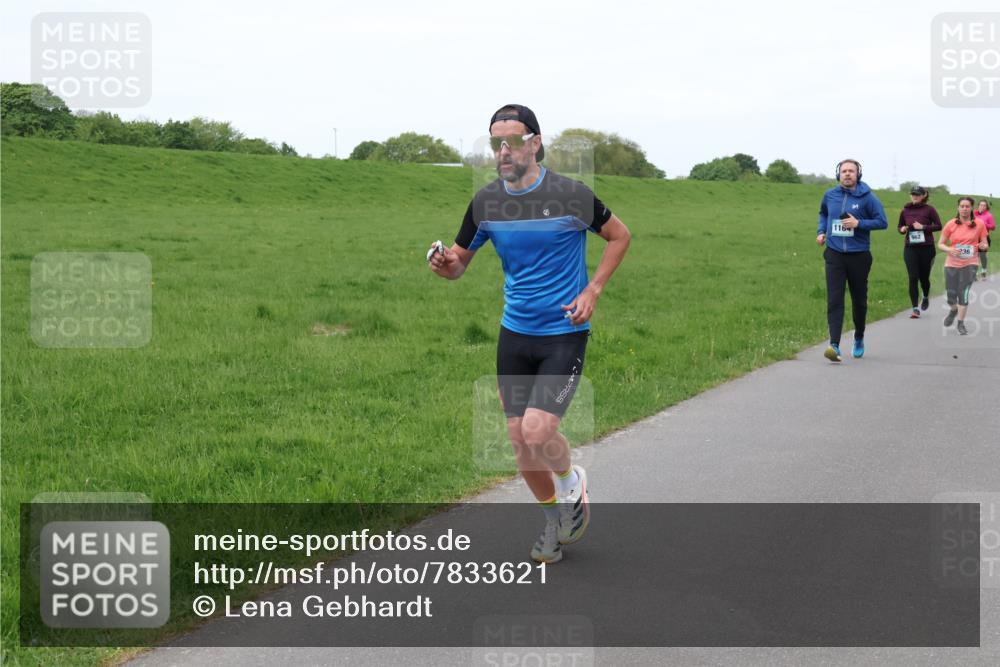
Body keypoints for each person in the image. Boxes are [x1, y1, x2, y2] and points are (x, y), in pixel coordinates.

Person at [427, 104, 631, 563]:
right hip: (514, 333)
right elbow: (459, 264)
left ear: (535, 143)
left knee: (539, 432)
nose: (503, 150)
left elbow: (620, 236)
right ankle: (553, 522)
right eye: (495, 141)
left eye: (513, 140)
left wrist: (593, 289)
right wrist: (444, 264)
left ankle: (570, 485)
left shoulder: (571, 195)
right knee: (519, 440)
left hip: (564, 329)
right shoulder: (485, 204)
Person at [815, 159, 888, 361]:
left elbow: (882, 222)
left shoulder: (868, 198)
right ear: (839, 174)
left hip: (859, 256)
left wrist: (859, 223)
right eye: (844, 171)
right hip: (834, 254)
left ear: (858, 174)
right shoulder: (830, 195)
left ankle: (859, 336)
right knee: (835, 299)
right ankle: (834, 345)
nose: (847, 174)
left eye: (851, 171)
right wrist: (822, 231)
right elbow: (823, 214)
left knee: (859, 301)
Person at [938, 197, 989, 335]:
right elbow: (940, 243)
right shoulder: (951, 224)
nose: (964, 208)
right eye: (962, 206)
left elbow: (985, 242)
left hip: (970, 263)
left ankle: (961, 324)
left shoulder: (979, 224)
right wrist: (950, 250)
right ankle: (953, 309)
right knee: (951, 295)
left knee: (963, 293)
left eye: (967, 206)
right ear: (958, 208)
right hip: (951, 263)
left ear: (972, 208)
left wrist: (984, 245)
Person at [897, 185, 942, 318]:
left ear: (923, 196)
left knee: (924, 278)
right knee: (913, 277)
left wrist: (923, 227)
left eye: (917, 194)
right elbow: (899, 226)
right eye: (913, 194)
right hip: (910, 248)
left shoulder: (930, 209)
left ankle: (926, 295)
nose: (915, 196)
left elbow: (939, 226)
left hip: (927, 248)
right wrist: (902, 230)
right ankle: (915, 308)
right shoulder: (905, 210)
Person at [975, 199, 995, 280]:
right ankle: (975, 273)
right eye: (981, 205)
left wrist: (984, 223)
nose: (982, 207)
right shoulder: (974, 214)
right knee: (974, 255)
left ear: (987, 207)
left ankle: (983, 271)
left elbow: (993, 227)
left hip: (984, 238)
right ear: (978, 206)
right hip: (974, 237)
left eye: (984, 205)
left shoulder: (989, 215)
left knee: (982, 255)